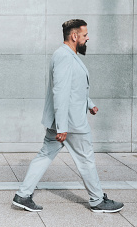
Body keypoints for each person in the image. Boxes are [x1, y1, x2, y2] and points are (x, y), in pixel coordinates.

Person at [12, 19, 124, 213]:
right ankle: (97, 200)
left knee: (45, 155)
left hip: (64, 121)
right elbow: (61, 92)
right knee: (86, 159)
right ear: (74, 36)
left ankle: (23, 195)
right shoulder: (64, 56)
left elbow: (74, 88)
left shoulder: (68, 55)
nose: (87, 38)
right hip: (71, 124)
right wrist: (63, 126)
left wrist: (90, 103)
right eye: (85, 35)